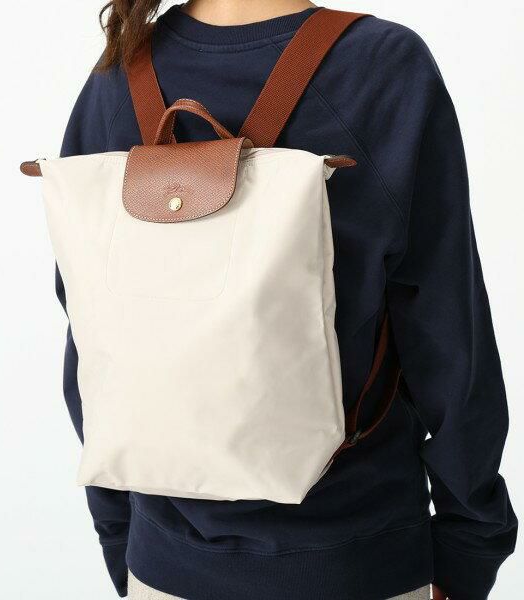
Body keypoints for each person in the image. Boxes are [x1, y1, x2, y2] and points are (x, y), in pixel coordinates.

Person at [57, 1, 517, 598]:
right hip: (358, 559)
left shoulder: (119, 74)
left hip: (162, 567)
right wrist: (468, 547)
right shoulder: (380, 65)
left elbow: (91, 336)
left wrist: (121, 533)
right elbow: (448, 335)